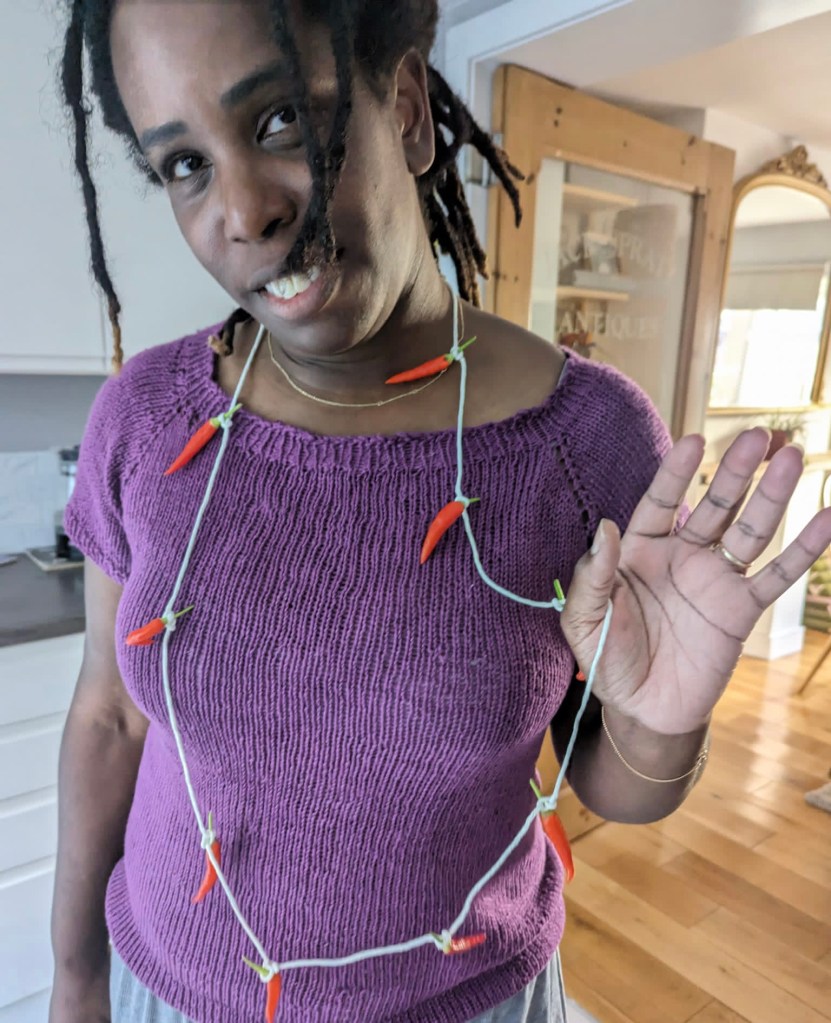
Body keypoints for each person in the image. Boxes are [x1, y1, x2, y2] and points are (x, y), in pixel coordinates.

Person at [49, 2, 831, 1022]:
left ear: (409, 110)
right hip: (172, 990)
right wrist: (75, 979)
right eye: (185, 164)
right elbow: (108, 715)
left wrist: (661, 721)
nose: (242, 211)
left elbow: (613, 785)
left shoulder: (583, 445)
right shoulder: (145, 421)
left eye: (283, 119)